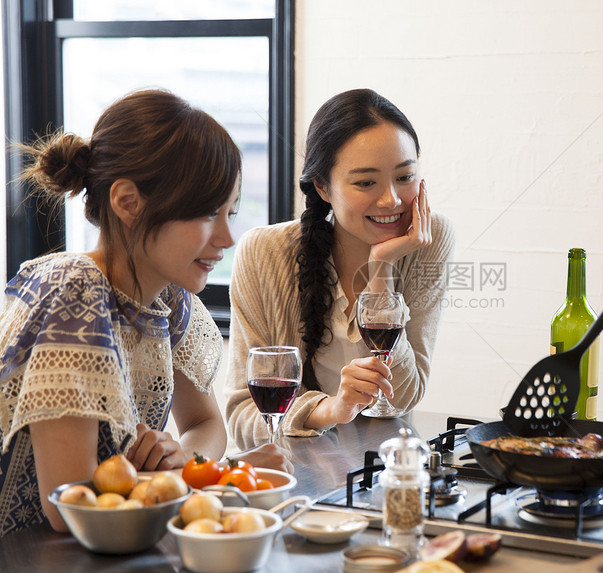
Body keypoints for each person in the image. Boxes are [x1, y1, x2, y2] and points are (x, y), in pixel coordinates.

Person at [0, 89, 290, 536]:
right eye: (209, 213)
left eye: (230, 211)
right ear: (128, 202)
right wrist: (221, 474)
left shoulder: (166, 294)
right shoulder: (74, 291)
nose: (228, 237)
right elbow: (68, 507)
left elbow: (205, 424)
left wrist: (180, 457)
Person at [225, 88, 455, 444]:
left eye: (405, 177)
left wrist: (382, 267)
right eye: (366, 182)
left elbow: (405, 394)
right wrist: (332, 409)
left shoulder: (428, 238)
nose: (391, 199)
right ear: (323, 187)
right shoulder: (261, 253)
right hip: (289, 473)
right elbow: (243, 416)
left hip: (379, 472)